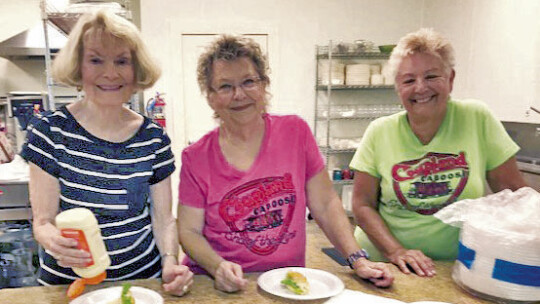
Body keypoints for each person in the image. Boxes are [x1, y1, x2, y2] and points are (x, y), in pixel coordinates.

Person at [177, 34, 394, 292]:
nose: (239, 95)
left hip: (284, 283)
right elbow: (189, 230)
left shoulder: (295, 132)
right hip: (218, 286)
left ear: (264, 85)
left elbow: (324, 204)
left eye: (248, 81)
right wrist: (217, 266)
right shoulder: (196, 156)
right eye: (225, 86)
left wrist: (357, 258)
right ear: (210, 96)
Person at [21, 10, 193, 296]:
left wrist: (170, 261)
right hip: (70, 286)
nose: (110, 73)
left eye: (122, 61)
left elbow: (163, 220)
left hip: (140, 284)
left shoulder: (153, 137)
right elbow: (43, 222)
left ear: (136, 69)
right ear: (79, 66)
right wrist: (53, 241)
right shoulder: (49, 132)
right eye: (96, 60)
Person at [350, 28, 527, 278]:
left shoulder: (476, 118)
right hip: (385, 265)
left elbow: (515, 195)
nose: (421, 88)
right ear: (397, 88)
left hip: (456, 266)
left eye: (431, 76)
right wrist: (396, 251)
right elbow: (361, 204)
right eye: (409, 80)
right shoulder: (380, 132)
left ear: (450, 78)